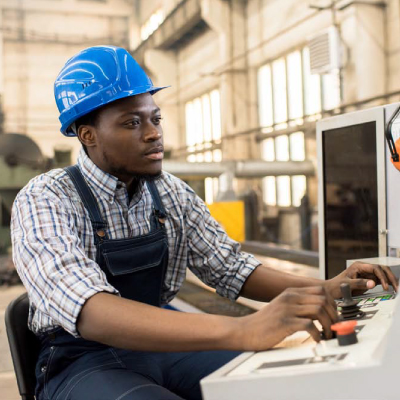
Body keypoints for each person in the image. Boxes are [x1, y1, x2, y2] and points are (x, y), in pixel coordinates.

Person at [11, 46, 398, 400]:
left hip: (164, 345)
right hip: (81, 358)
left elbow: (231, 268)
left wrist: (327, 289)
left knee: (271, 389)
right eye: (132, 123)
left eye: (155, 118)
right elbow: (92, 312)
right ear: (88, 134)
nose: (153, 133)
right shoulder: (46, 198)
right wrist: (244, 329)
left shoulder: (169, 192)